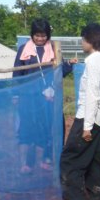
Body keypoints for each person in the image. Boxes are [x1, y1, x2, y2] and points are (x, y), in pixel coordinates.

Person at [57, 23, 100, 200]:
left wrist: (87, 126)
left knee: (70, 158)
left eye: (82, 39)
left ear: (89, 41)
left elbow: (92, 96)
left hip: (89, 118)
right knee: (96, 160)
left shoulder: (93, 62)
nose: (81, 43)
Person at [13, 18, 76, 173]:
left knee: (47, 127)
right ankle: (27, 163)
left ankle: (46, 159)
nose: (40, 38)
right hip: (28, 97)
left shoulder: (54, 49)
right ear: (32, 35)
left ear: (48, 35)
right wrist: (16, 94)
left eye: (43, 35)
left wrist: (69, 64)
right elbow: (17, 74)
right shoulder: (24, 50)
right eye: (37, 35)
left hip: (48, 96)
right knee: (27, 128)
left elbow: (59, 72)